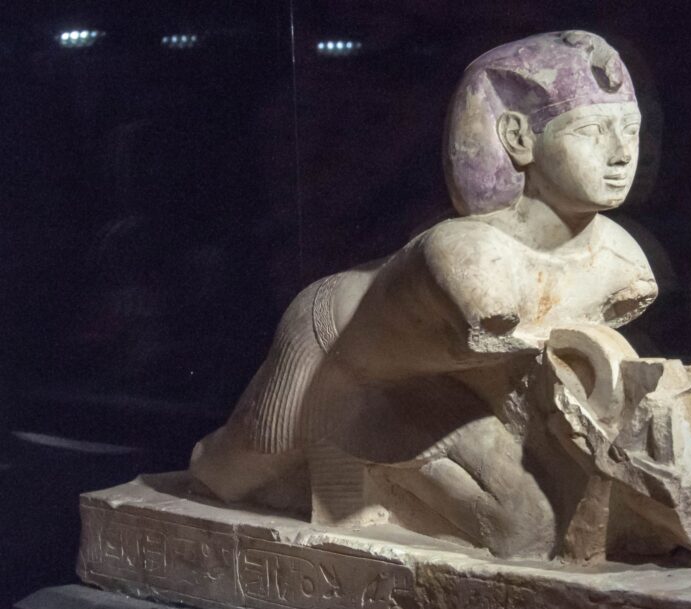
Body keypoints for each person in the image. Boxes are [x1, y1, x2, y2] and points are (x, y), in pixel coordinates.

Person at [190, 31, 658, 557]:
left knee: (528, 531)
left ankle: (368, 479)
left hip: (441, 388)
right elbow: (511, 348)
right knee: (227, 473)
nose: (622, 154)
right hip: (329, 350)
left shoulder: (621, 258)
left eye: (631, 130)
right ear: (517, 138)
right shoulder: (471, 254)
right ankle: (341, 472)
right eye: (593, 131)